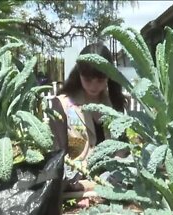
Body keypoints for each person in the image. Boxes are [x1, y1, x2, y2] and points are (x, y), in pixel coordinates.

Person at [49, 43, 127, 205]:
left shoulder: (114, 103)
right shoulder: (63, 104)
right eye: (88, 79)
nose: (93, 85)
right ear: (79, 74)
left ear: (109, 76)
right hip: (74, 178)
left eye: (100, 80)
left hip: (109, 176)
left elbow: (122, 150)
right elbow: (57, 154)